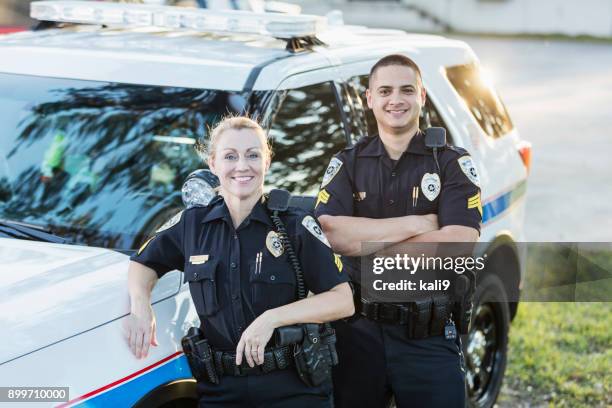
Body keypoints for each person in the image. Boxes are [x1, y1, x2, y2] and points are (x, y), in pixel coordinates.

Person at [125, 116, 354, 407]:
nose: (242, 166)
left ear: (267, 162)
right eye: (230, 156)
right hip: (220, 391)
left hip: (292, 389)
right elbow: (143, 263)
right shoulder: (192, 224)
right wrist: (140, 305)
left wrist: (272, 319)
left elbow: (343, 300)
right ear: (213, 164)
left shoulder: (295, 225)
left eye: (253, 155)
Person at [315, 54, 482, 408]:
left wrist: (366, 245)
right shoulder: (348, 162)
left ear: (422, 97)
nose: (396, 100)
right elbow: (331, 232)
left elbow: (458, 244)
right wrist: (417, 224)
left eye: (407, 90)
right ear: (369, 98)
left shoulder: (451, 163)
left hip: (428, 335)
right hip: (356, 333)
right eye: (385, 90)